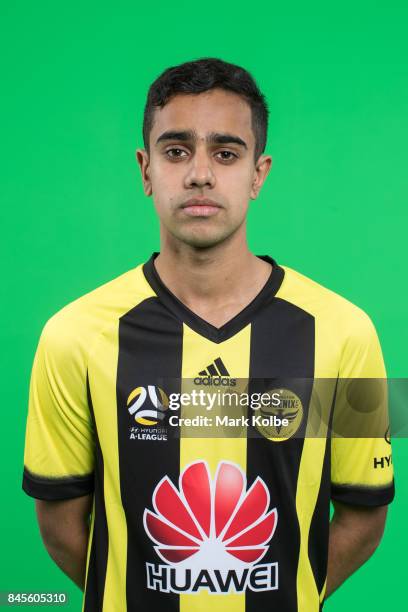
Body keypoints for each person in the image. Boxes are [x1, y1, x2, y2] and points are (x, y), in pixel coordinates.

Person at [22, 57, 394, 612]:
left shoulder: (346, 331)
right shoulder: (71, 335)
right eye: (176, 151)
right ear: (145, 170)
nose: (200, 173)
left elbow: (366, 513)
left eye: (226, 152)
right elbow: (59, 521)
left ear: (258, 173)